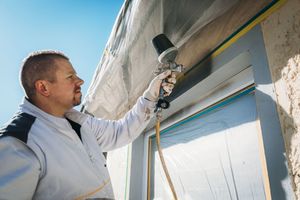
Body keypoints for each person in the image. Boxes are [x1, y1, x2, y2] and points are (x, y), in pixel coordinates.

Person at [0, 50, 176, 199]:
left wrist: (151, 96)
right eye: (70, 77)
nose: (80, 81)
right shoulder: (17, 143)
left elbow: (121, 132)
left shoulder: (79, 122)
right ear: (44, 88)